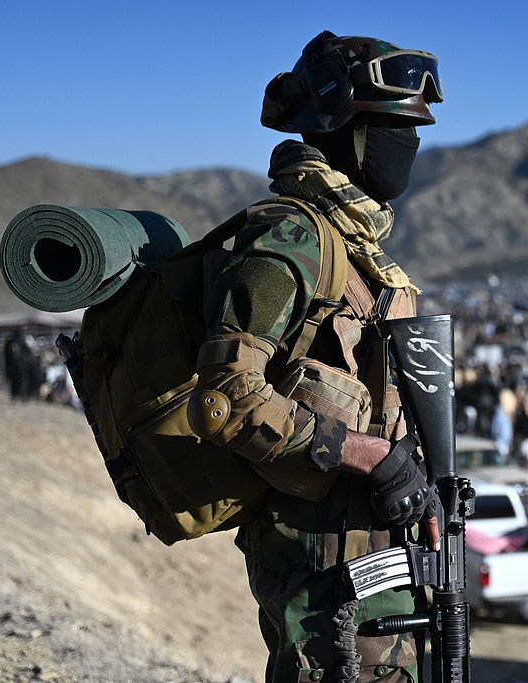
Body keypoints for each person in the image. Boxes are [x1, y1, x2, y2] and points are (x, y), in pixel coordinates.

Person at [186, 31, 444, 682]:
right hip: (319, 571)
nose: (408, 141)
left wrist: (414, 481)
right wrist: (374, 457)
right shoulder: (289, 240)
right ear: (340, 125)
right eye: (392, 125)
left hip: (372, 557)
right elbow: (224, 399)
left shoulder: (357, 249)